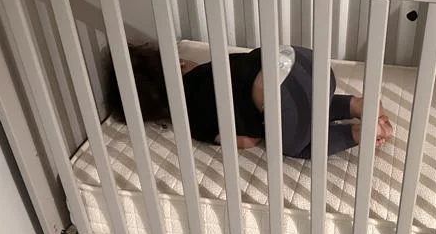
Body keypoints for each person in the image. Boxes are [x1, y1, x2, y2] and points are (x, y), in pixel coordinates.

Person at [108, 43, 393, 159]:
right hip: (303, 63)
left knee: (299, 143)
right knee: (309, 103)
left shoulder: (191, 122)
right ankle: (355, 104)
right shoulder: (210, 67)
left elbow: (246, 142)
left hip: (276, 103)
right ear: (181, 64)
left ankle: (356, 134)